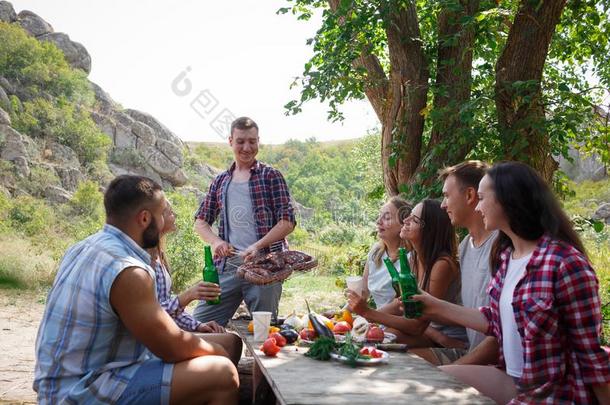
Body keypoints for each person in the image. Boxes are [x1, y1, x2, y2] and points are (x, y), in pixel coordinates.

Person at [414, 162, 610, 404]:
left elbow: (590, 354)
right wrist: (432, 305)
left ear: (507, 201)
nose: (478, 206)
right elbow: (494, 319)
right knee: (432, 384)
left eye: (483, 198)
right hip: (512, 379)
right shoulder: (507, 257)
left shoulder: (565, 263)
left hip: (552, 392)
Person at [34, 175, 239, 405]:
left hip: (75, 377)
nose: (165, 221)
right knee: (223, 373)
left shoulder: (83, 246)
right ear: (144, 218)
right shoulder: (128, 271)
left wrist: (213, 343)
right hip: (82, 390)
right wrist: (216, 351)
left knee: (227, 344)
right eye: (162, 214)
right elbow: (171, 347)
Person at [193, 117, 296, 326]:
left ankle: (258, 359)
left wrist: (257, 246)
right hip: (227, 267)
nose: (247, 147)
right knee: (198, 323)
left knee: (263, 330)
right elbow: (201, 222)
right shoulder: (220, 181)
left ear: (259, 141)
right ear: (231, 141)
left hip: (265, 266)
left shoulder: (271, 176)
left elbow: (287, 222)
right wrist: (216, 242)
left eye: (252, 141)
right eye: (241, 141)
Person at [410, 161, 499, 366]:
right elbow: (469, 313)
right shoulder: (465, 247)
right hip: (470, 354)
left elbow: (501, 332)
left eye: (447, 196)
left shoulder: (502, 246)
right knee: (400, 362)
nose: (443, 205)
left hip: (492, 363)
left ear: (469, 195)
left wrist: (453, 371)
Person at [348, 199, 467, 349]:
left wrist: (368, 313)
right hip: (426, 333)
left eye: (414, 219)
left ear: (429, 230)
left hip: (449, 339)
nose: (406, 219)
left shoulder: (442, 265)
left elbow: (417, 325)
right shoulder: (415, 259)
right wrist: (357, 317)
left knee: (386, 339)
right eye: (409, 215)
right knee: (384, 336)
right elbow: (402, 306)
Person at [150, 198, 242, 366]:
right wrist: (187, 296)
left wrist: (198, 326)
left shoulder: (159, 253)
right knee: (229, 345)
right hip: (156, 342)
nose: (174, 215)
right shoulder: (145, 259)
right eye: (169, 212)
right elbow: (151, 316)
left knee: (233, 342)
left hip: (168, 332)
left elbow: (165, 305)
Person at [361, 197, 412, 308]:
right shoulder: (376, 252)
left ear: (403, 224)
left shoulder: (410, 258)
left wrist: (371, 315)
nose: (378, 221)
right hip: (378, 321)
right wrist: (340, 313)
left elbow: (402, 306)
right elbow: (363, 292)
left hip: (398, 323)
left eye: (387, 217)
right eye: (379, 216)